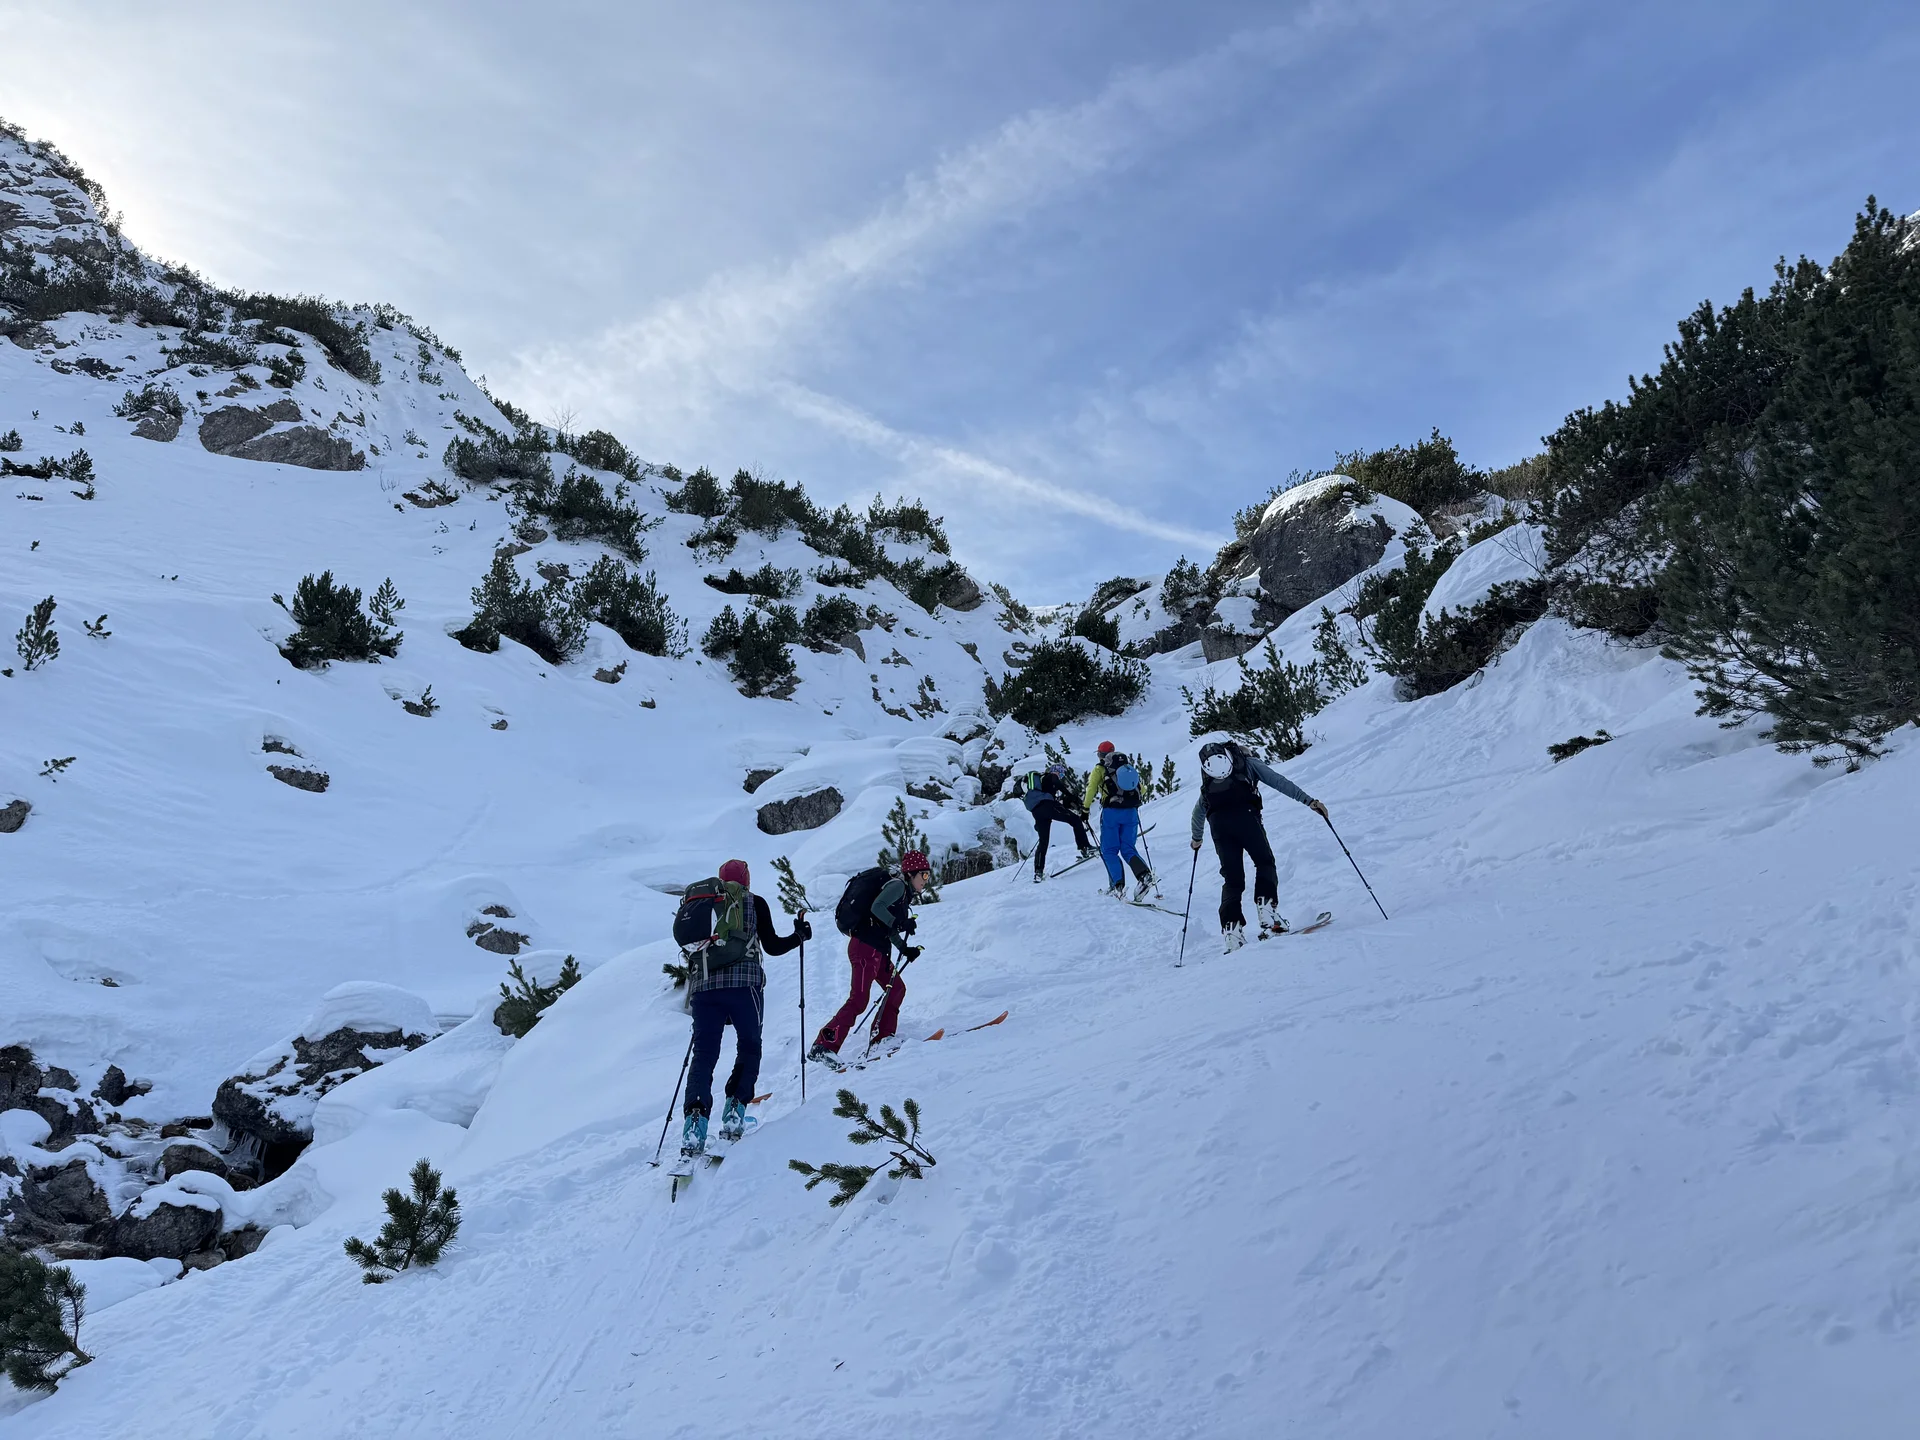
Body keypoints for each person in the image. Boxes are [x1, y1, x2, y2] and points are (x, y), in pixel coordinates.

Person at [680, 858, 809, 1159]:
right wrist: (799, 936)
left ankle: (694, 1124)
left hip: (704, 988)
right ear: (747, 881)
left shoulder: (706, 906)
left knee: (704, 1054)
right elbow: (773, 946)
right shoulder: (754, 903)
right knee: (749, 1047)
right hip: (744, 986)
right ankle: (735, 1111)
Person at [1188, 739, 1327, 951]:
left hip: (1219, 828)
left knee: (1232, 879)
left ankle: (1232, 931)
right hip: (1247, 819)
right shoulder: (1249, 763)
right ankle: (1268, 913)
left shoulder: (1209, 779)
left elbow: (1198, 813)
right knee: (1264, 862)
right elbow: (1279, 781)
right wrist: (1310, 801)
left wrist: (1196, 839)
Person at [809, 849, 931, 1067]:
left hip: (877, 951)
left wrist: (905, 948)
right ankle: (823, 1045)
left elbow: (887, 927)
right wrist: (900, 923)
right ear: (911, 873)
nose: (926, 880)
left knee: (897, 988)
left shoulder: (903, 895)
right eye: (923, 875)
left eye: (927, 876)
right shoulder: (898, 886)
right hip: (865, 948)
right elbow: (877, 908)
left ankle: (882, 1038)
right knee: (859, 1000)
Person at [1083, 740, 1155, 901]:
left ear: (1101, 755)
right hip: (1131, 813)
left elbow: (1091, 789)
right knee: (1128, 848)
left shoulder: (1100, 769)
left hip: (1111, 813)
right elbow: (1141, 788)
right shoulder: (1127, 768)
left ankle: (1118, 887)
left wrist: (1085, 809)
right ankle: (1144, 876)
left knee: (1109, 851)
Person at [1018, 762, 1096, 882]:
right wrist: (1072, 796)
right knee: (1075, 820)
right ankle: (1085, 847)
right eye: (1061, 772)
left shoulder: (1042, 783)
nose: (1061, 775)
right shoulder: (1051, 776)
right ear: (1057, 771)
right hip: (1048, 806)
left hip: (1037, 811)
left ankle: (1038, 872)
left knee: (1043, 841)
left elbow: (1057, 798)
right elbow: (1059, 786)